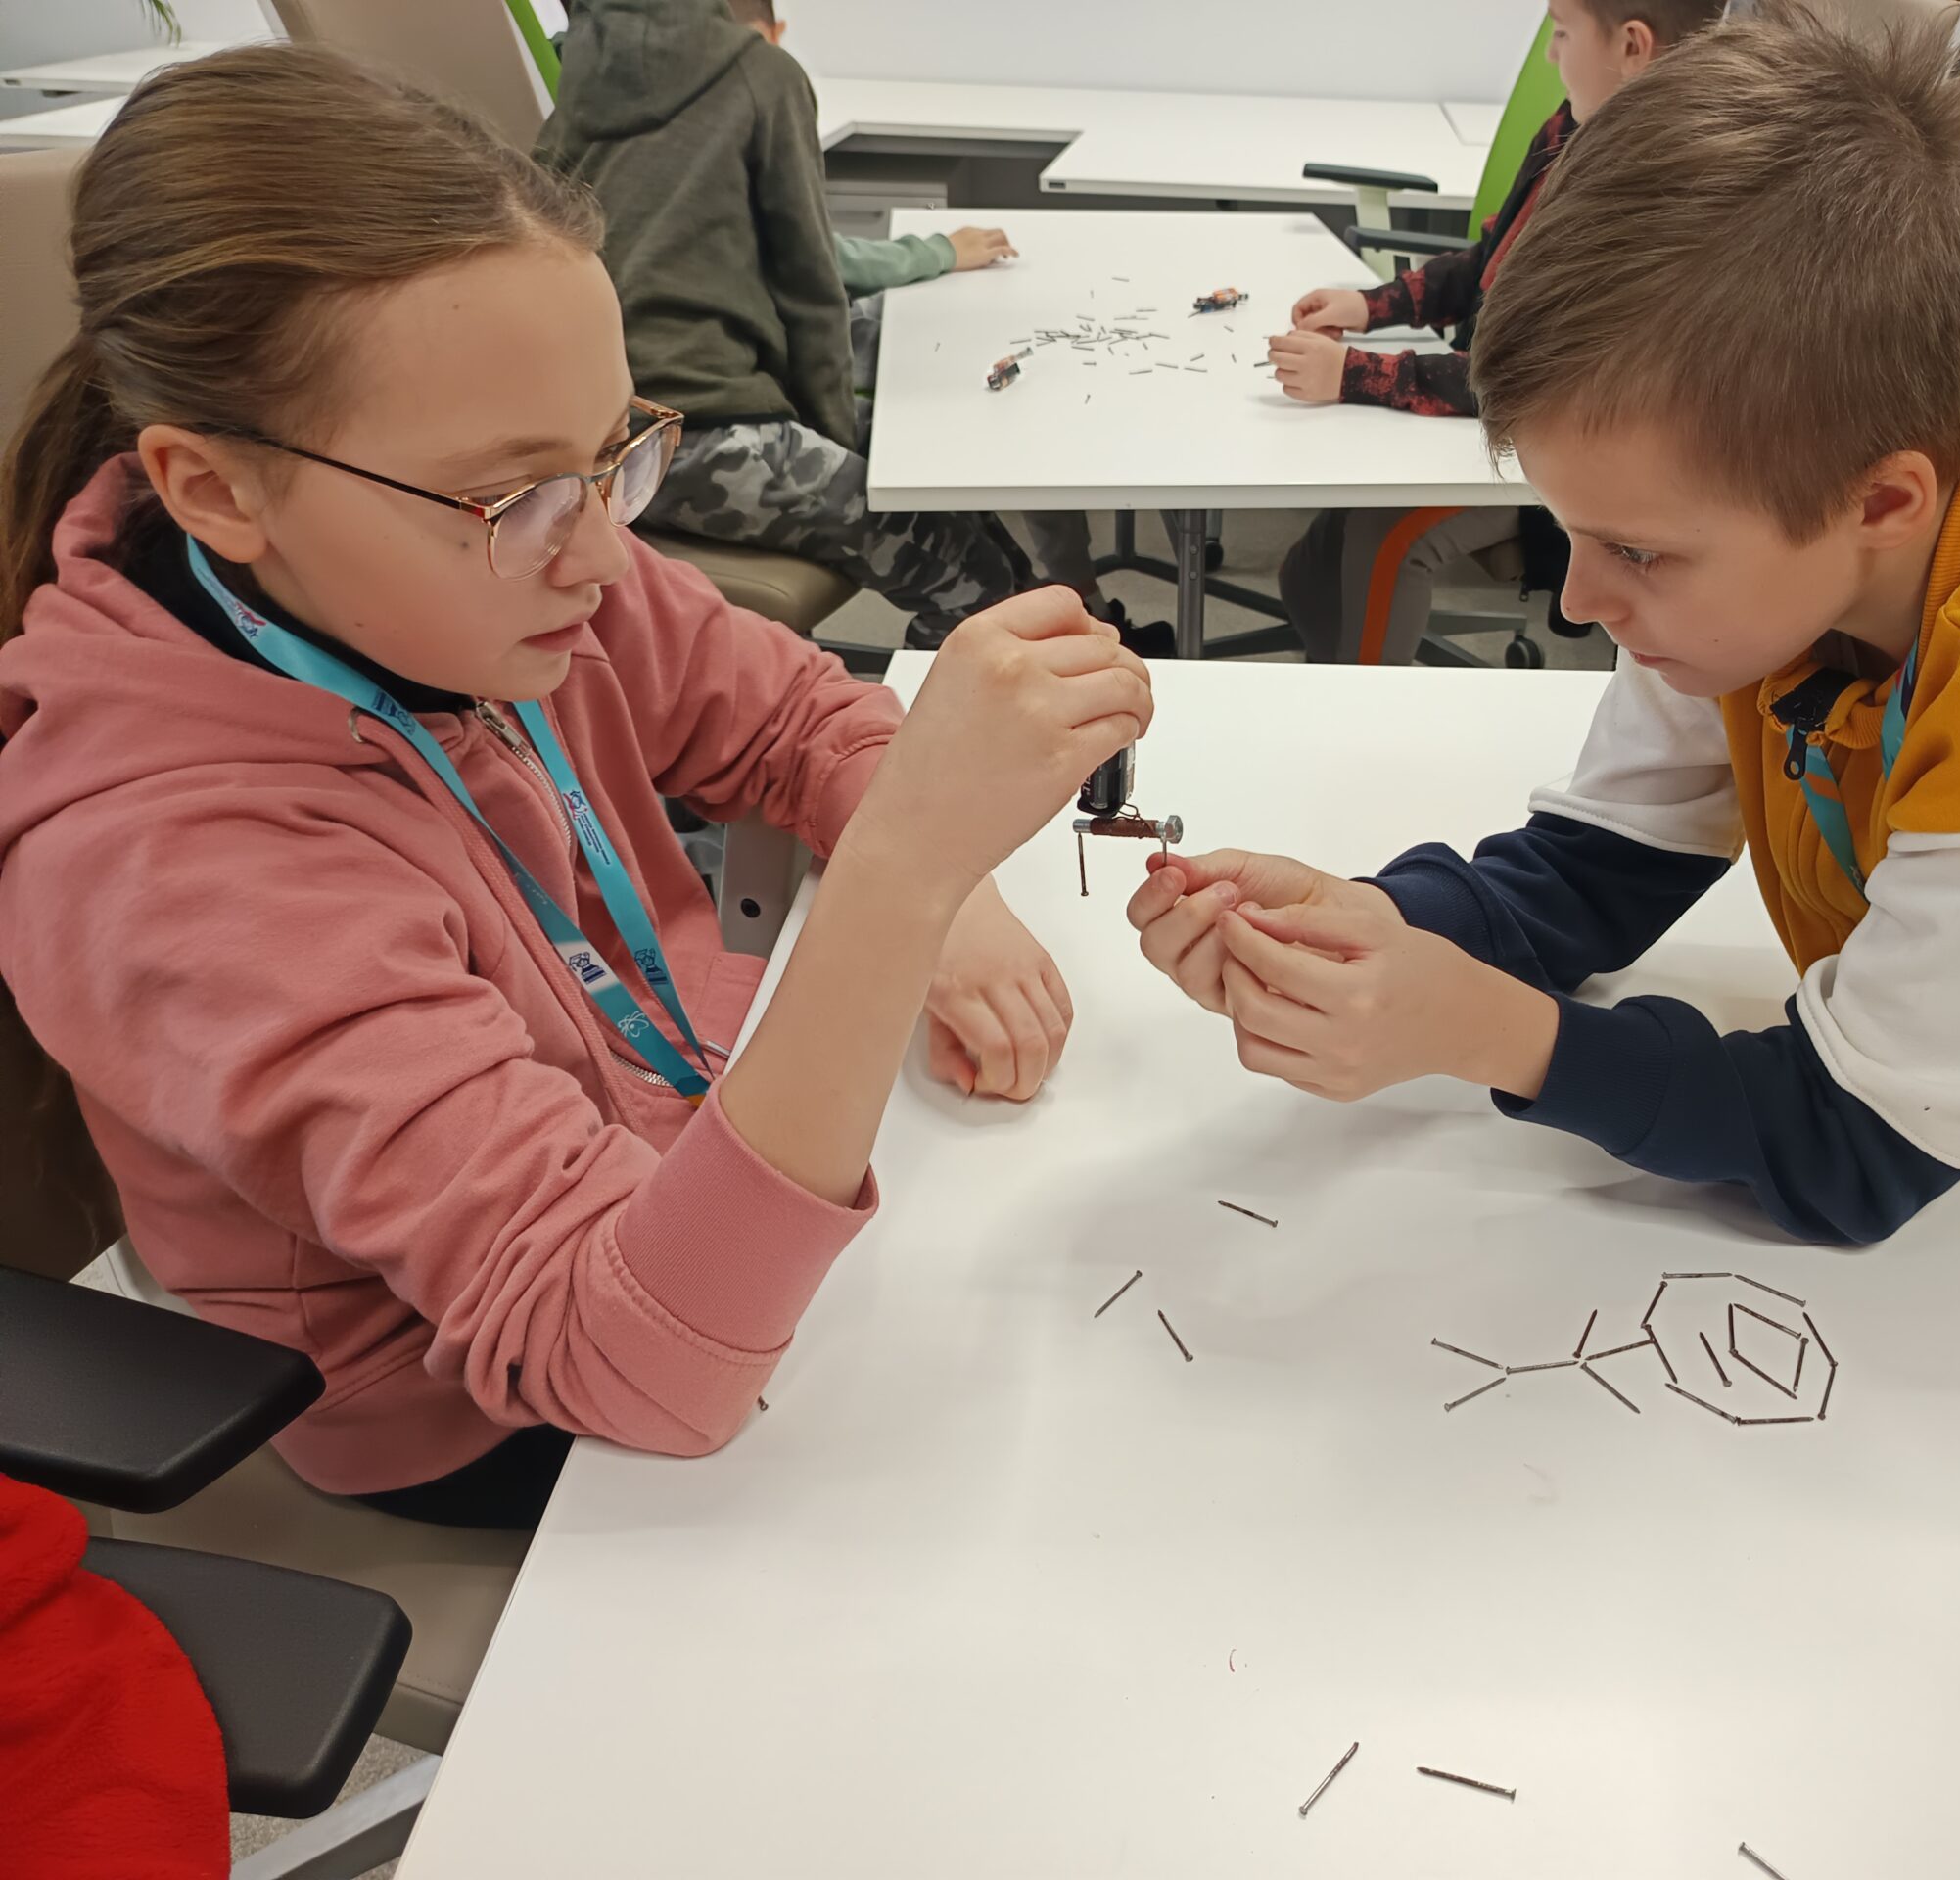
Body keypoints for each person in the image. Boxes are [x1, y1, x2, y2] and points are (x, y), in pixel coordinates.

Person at [1128, 13, 1960, 1499]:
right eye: (1571, 534)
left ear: (1884, 503)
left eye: (1634, 551)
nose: (1583, 602)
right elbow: (1594, 869)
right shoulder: (1776, 529)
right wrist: (1379, 927)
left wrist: (1493, 1033)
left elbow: (1850, 1149)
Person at [0, 45, 1150, 1527]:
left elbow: (796, 713)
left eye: (614, 456)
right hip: (488, 1405)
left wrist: (953, 904)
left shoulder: (482, 570)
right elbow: (637, 1363)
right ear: (216, 490)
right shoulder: (170, 863)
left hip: (666, 1141)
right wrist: (902, 880)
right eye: (524, 492)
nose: (606, 551)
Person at [538, 0, 1126, 647]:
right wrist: (837, 439)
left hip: (620, 437)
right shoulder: (761, 73)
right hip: (703, 433)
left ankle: (1071, 648)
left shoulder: (579, 84)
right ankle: (958, 708)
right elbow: (810, 282)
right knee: (972, 588)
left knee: (940, 487)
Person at [1267, 0, 1722, 665]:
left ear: (1632, 46)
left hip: (1560, 457)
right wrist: (1372, 306)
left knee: (1383, 538)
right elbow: (1491, 260)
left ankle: (1362, 713)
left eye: (1561, 34)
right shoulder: (1568, 130)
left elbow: (1531, 374)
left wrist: (1355, 373)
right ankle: (1325, 678)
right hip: (1492, 418)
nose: (1550, 54)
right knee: (1312, 565)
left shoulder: (1663, 194)